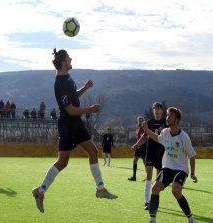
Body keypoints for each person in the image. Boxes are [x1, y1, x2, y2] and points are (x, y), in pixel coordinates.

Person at [31, 48, 117, 213]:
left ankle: (100, 189)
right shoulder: (60, 83)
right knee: (63, 162)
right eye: (69, 57)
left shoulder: (67, 78)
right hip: (68, 125)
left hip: (76, 123)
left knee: (93, 150)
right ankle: (40, 191)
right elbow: (70, 109)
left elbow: (73, 96)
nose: (71, 59)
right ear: (63, 61)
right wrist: (90, 109)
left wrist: (85, 88)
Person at [142, 107, 197, 223]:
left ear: (176, 119)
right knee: (155, 188)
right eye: (167, 115)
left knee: (176, 191)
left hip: (180, 169)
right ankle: (152, 221)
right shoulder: (166, 132)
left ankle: (191, 219)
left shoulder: (184, 137)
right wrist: (146, 130)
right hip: (167, 168)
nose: (167, 118)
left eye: (170, 116)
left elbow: (192, 156)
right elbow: (157, 139)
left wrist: (192, 173)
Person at [137, 102, 167, 210]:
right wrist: (137, 144)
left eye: (158, 108)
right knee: (148, 174)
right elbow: (145, 136)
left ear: (162, 111)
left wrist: (163, 132)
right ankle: (146, 202)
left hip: (161, 153)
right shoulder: (149, 122)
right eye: (154, 108)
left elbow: (169, 137)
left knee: (158, 179)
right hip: (150, 151)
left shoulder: (165, 122)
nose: (156, 110)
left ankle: (154, 200)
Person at [129, 116, 147, 181]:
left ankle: (147, 177)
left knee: (145, 162)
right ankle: (134, 177)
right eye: (138, 121)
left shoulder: (144, 129)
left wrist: (137, 145)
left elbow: (144, 139)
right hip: (138, 148)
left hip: (143, 147)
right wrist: (136, 146)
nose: (139, 122)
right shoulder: (138, 129)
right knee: (134, 160)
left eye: (140, 121)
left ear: (143, 121)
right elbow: (139, 139)